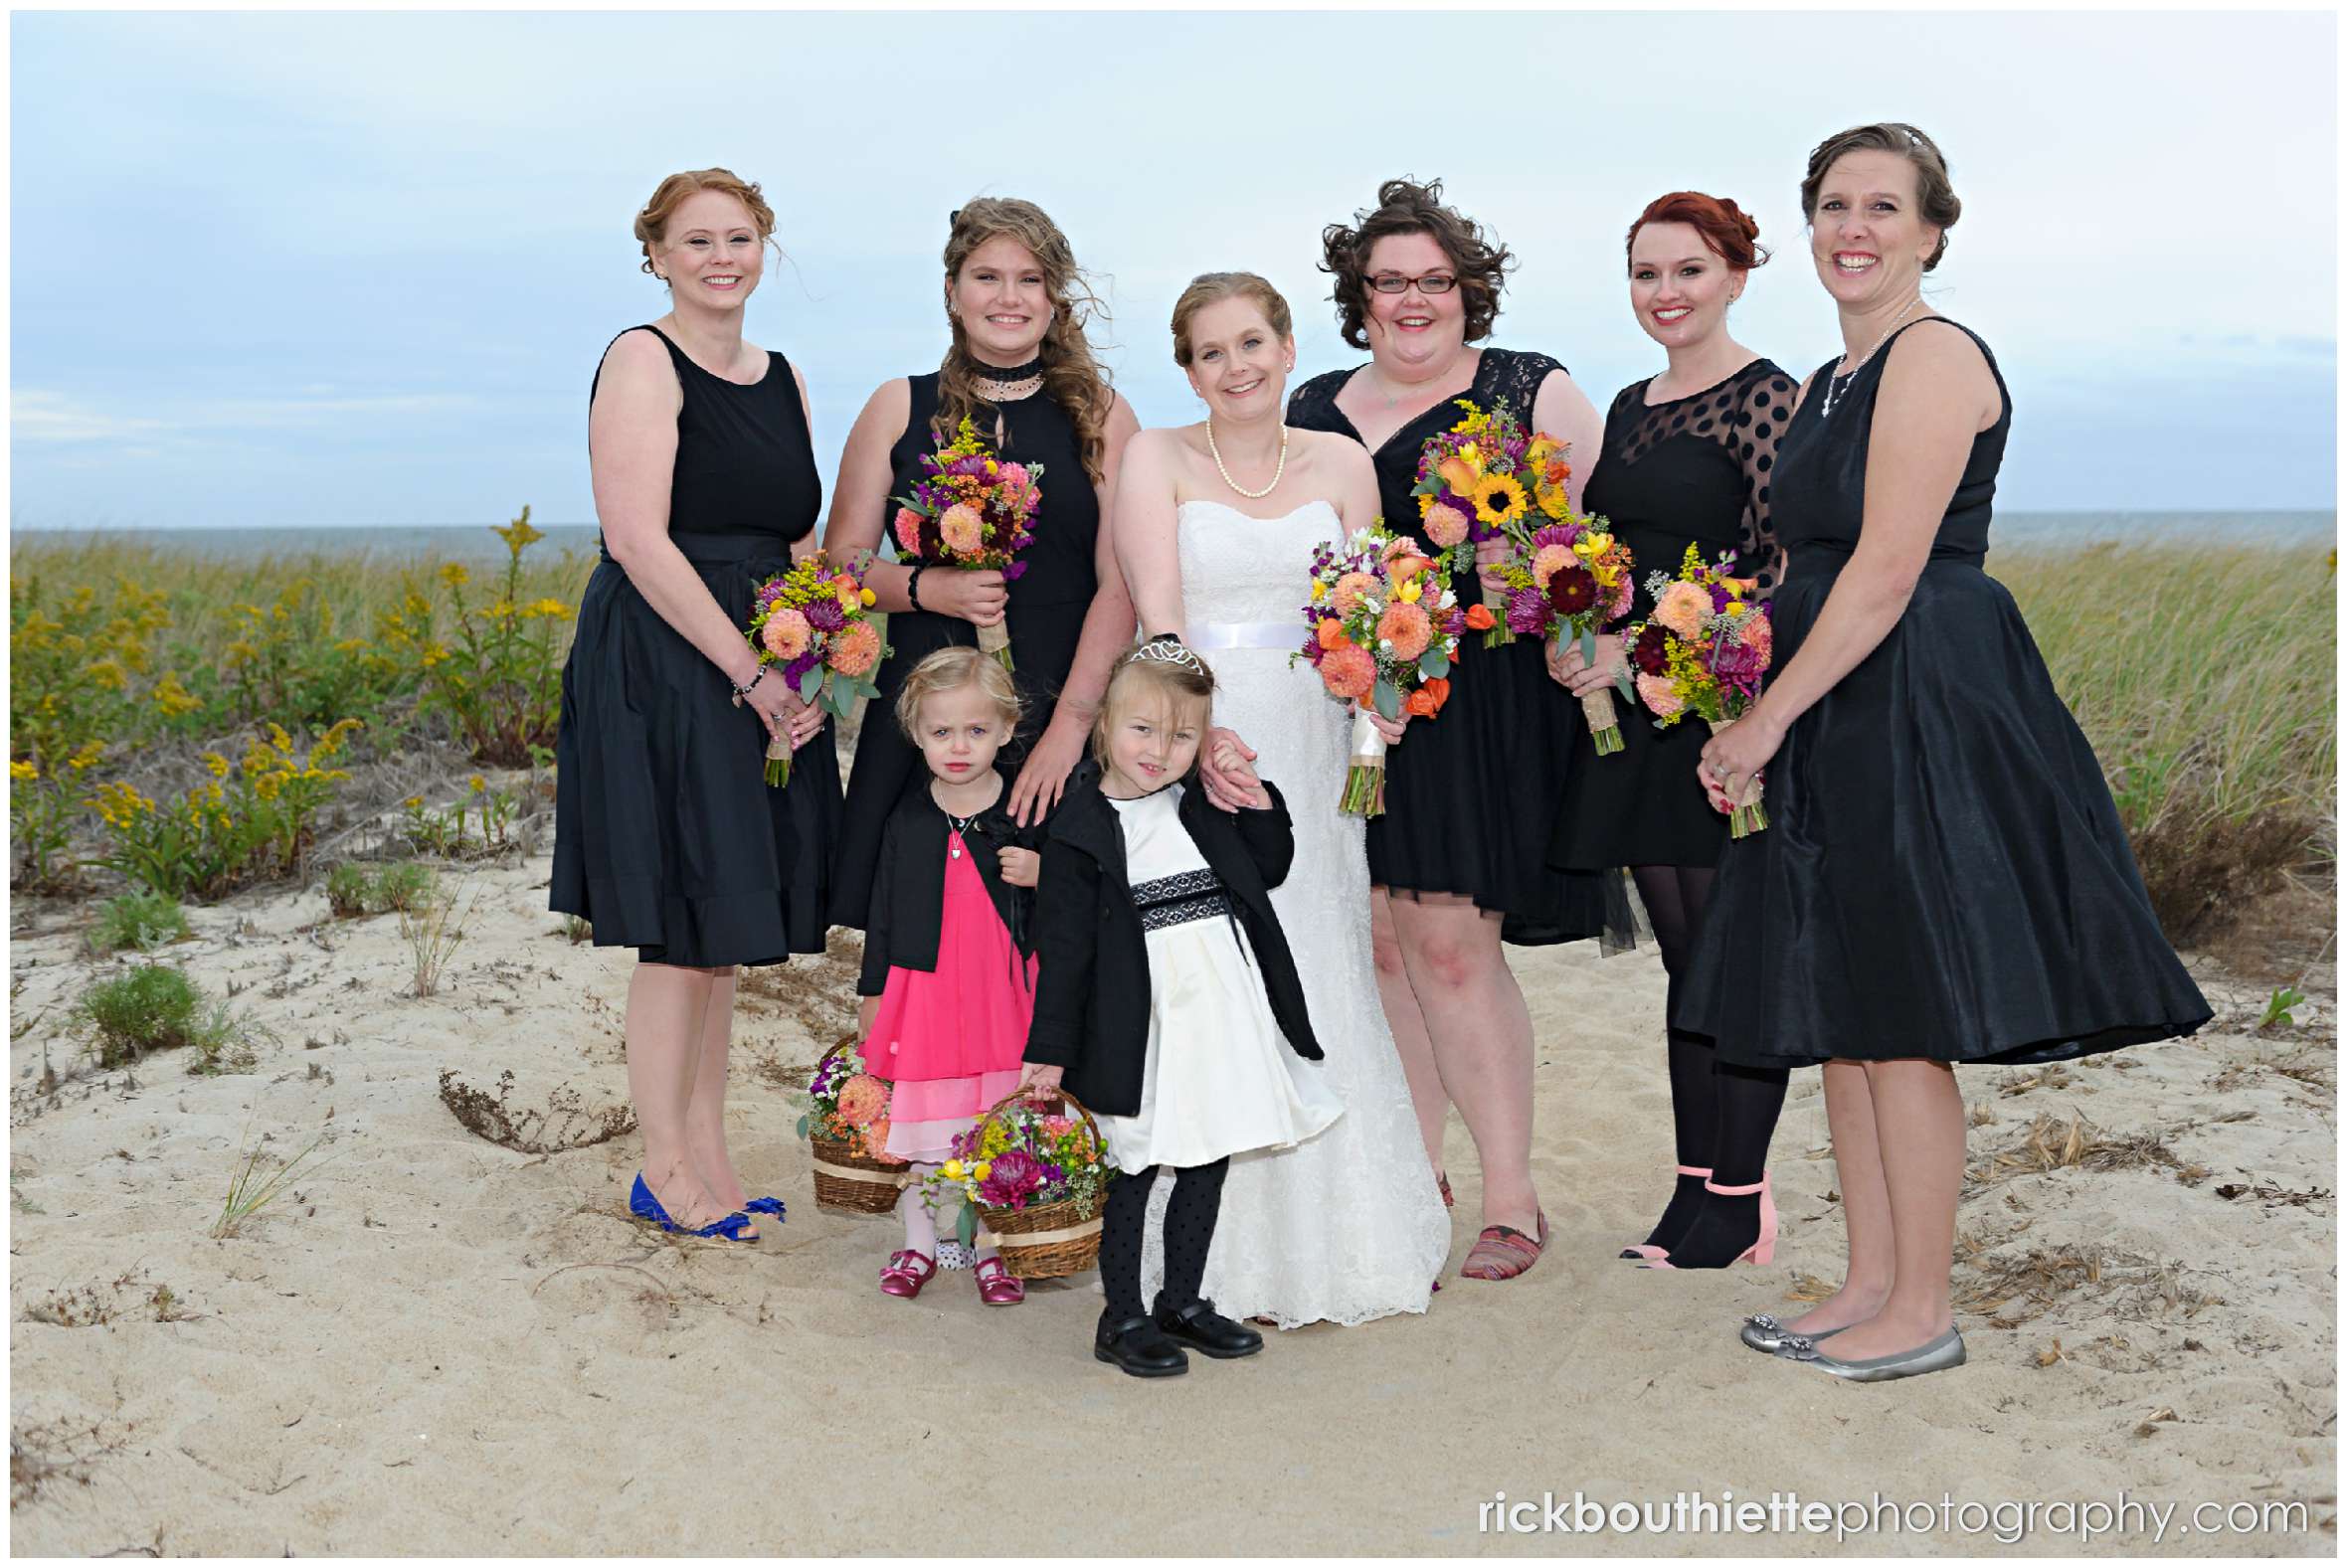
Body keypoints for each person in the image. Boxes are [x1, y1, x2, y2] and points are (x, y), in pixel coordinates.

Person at [1677, 124, 2213, 1380]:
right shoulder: (1825, 380)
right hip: (1831, 693)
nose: (1850, 227)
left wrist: (1765, 721)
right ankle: (1867, 1281)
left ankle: (1921, 1308)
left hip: (1909, 687)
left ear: (1929, 231)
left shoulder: (1932, 355)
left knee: (1900, 1010)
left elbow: (1880, 574)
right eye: (1829, 205)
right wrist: (1724, 671)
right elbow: (1800, 572)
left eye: (1880, 206)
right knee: (1846, 1008)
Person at [1285, 178, 1627, 1282]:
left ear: (1467, 288)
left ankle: (1512, 1195)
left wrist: (1531, 577)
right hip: (1349, 702)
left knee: (1448, 945)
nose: (1413, 300)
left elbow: (1599, 557)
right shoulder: (1314, 405)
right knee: (1377, 941)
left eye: (1435, 280)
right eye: (1389, 282)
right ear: (1358, 295)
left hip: (1479, 706)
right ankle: (1410, 1174)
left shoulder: (1533, 388)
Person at [1111, 271, 1451, 1326]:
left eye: (1251, 342)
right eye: (1211, 352)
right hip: (1204, 736)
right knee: (1217, 971)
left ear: (1288, 346)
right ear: (1187, 369)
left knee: (1322, 954)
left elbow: (1378, 603)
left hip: (1314, 738)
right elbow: (1156, 618)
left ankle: (1348, 1238)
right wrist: (1197, 731)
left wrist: (1383, 700)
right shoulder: (1155, 459)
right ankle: (1205, 1261)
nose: (1236, 366)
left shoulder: (1342, 462)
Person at [550, 168, 839, 1241]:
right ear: (657, 254)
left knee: (726, 917)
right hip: (670, 659)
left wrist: (811, 662)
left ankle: (708, 1151)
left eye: (740, 236)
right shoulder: (641, 358)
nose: (721, 257)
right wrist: (749, 673)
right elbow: (635, 538)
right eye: (696, 240)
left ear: (764, 244)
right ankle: (661, 1165)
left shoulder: (784, 376)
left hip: (768, 652)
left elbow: (797, 540)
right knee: (677, 923)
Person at [1543, 193, 1797, 1269]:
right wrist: (1573, 624)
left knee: (1729, 961)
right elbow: (1610, 553)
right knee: (1683, 964)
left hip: (1718, 710)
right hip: (1634, 726)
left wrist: (1648, 642)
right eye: (1644, 273)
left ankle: (1739, 1199)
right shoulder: (1632, 403)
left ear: (1735, 275)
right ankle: (1694, 1189)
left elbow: (1778, 572)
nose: (1665, 292)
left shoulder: (1769, 400)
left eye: (1687, 270)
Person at [825, 199, 1139, 957]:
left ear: (1054, 296)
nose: (1008, 297)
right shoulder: (898, 406)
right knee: (921, 953)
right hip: (929, 726)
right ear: (951, 290)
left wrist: (1068, 729)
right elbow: (841, 564)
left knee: (1055, 951)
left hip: (1059, 716)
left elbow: (1123, 582)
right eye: (986, 276)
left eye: (1029, 279)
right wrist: (924, 589)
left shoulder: (1100, 413)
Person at [1020, 642, 1342, 1377]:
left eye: (1181, 736)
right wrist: (1051, 1048)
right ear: (1105, 723)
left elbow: (1268, 866)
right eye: (1143, 729)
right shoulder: (1079, 828)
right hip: (1138, 1023)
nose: (1158, 751)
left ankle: (1183, 1300)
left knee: (1209, 1152)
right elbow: (1063, 950)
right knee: (1135, 1162)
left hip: (1218, 1009)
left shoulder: (1198, 803)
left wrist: (1258, 797)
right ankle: (1123, 1314)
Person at [854, 648, 1042, 1307]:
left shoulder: (1022, 813)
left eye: (975, 730)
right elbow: (882, 915)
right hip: (924, 1000)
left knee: (994, 1131)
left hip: (1002, 1000)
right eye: (941, 732)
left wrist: (1040, 876)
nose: (958, 746)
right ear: (916, 732)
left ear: (1006, 728)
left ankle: (993, 1247)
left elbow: (1065, 914)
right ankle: (919, 1243)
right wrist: (872, 996)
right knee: (923, 1136)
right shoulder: (907, 819)